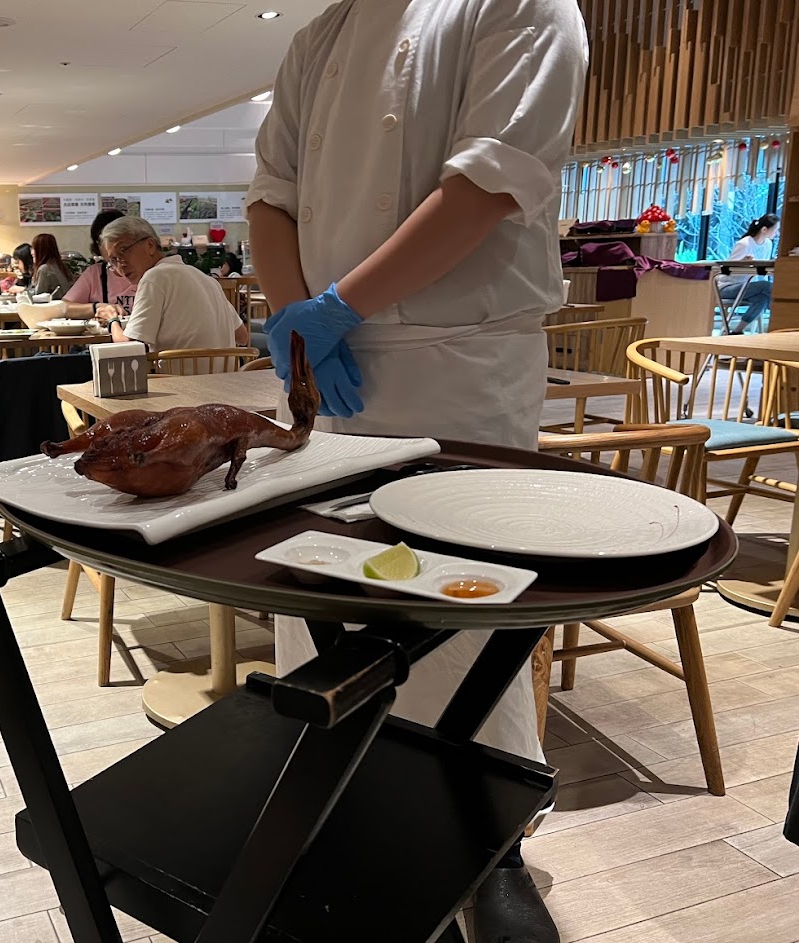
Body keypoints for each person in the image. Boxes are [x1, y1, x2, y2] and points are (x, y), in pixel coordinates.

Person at [248, 2, 587, 941]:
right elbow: (272, 194)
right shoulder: (318, 37)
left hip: (459, 367)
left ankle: (491, 840)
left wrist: (338, 306)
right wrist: (298, 322)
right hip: (328, 374)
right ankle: (335, 802)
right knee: (321, 592)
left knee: (465, 609)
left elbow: (489, 181)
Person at [96, 216, 248, 358]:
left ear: (150, 245)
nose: (121, 265)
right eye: (113, 260)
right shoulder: (206, 279)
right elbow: (242, 336)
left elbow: (129, 348)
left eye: (123, 251)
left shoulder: (154, 277)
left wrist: (112, 320)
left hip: (179, 378)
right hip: (226, 376)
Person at [62, 210, 138, 321]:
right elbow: (64, 308)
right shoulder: (95, 273)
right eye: (103, 241)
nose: (110, 246)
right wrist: (98, 307)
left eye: (116, 239)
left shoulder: (148, 270)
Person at [720, 213, 780, 333]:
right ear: (764, 229)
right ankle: (781, 317)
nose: (777, 233)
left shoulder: (768, 244)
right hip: (728, 287)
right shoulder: (745, 244)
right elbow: (728, 268)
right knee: (766, 286)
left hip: (747, 287)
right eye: (775, 230)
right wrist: (743, 262)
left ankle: (737, 331)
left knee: (762, 298)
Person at [30, 233, 76, 297]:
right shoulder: (61, 266)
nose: (31, 252)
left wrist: (23, 290)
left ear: (41, 250)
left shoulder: (44, 269)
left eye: (33, 248)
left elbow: (38, 295)